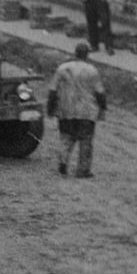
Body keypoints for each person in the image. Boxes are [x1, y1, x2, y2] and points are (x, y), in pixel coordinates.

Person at [48, 43, 107, 179]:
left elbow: (53, 90)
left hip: (65, 109)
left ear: (75, 53)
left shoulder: (62, 68)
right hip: (86, 111)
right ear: (87, 55)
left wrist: (50, 108)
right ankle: (83, 170)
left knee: (65, 138)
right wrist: (103, 107)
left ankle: (63, 165)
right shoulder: (92, 70)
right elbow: (100, 92)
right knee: (86, 141)